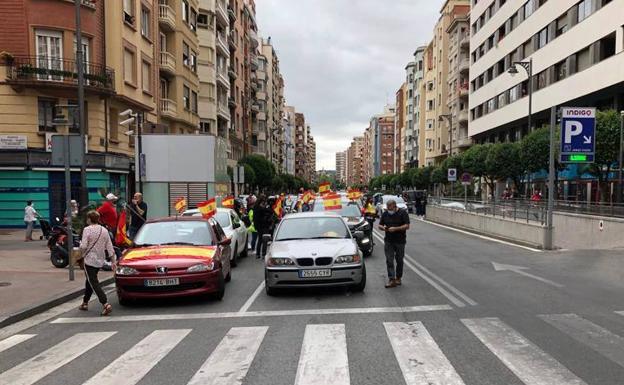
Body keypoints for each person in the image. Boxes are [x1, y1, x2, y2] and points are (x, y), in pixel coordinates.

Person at [78, 210, 116, 316]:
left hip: (89, 259)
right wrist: (113, 261)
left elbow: (84, 246)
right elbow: (109, 246)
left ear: (89, 219)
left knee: (93, 281)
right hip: (100, 260)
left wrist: (80, 247)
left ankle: (105, 303)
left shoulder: (87, 230)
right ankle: (85, 302)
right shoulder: (104, 230)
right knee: (90, 280)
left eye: (87, 218)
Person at [378, 199, 410, 288]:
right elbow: (380, 225)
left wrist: (396, 229)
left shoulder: (402, 213)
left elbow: (407, 226)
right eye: (387, 208)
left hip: (400, 241)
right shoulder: (385, 214)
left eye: (390, 208)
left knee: (399, 260)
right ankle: (391, 279)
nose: (389, 210)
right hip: (388, 241)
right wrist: (383, 228)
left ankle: (398, 278)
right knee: (389, 260)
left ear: (395, 206)